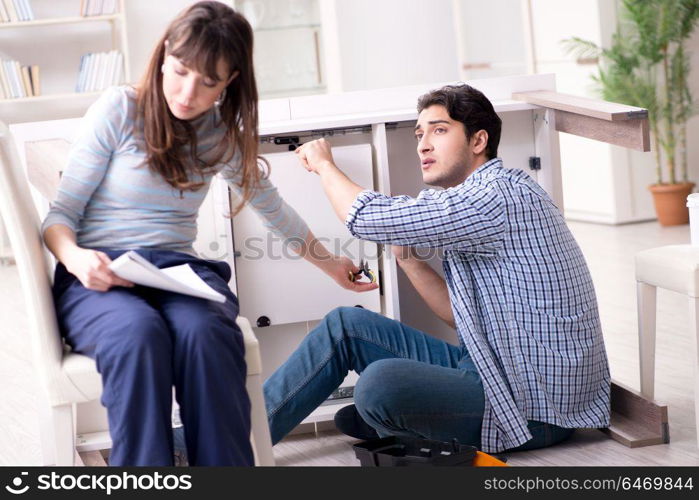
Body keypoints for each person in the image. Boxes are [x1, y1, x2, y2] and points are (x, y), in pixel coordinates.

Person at [42, 1, 375, 467]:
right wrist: (77, 260)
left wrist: (330, 264)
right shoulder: (119, 110)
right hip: (99, 274)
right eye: (179, 71)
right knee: (138, 335)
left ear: (230, 81)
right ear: (163, 56)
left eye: (208, 82)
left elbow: (275, 211)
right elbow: (59, 217)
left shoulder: (220, 136)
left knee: (207, 335)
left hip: (176, 274)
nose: (187, 92)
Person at [263, 83, 611, 454]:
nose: (423, 144)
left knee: (380, 385)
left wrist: (323, 164)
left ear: (478, 141)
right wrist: (406, 256)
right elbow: (461, 319)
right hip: (495, 370)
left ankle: (400, 416)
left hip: (535, 408)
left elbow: (364, 217)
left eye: (439, 130)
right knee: (345, 327)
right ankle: (232, 440)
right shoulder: (479, 198)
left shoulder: (494, 197)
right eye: (419, 133)